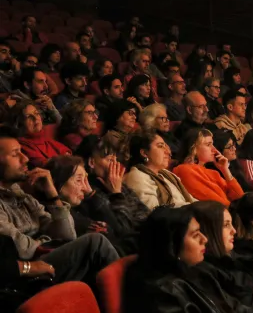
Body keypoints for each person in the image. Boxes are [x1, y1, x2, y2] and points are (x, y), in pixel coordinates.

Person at [0, 127, 119, 285]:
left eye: (22, 152)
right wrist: (48, 242)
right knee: (95, 243)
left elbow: (67, 235)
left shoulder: (22, 195)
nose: (25, 159)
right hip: (27, 269)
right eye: (15, 154)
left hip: (47, 252)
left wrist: (53, 194)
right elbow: (19, 248)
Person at [123, 206, 253, 313]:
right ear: (172, 245)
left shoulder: (197, 270)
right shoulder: (163, 294)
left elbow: (239, 311)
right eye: (195, 235)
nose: (205, 239)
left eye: (201, 232)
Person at [75, 135, 150, 253]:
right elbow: (123, 231)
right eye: (110, 160)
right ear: (91, 162)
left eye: (116, 160)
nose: (116, 165)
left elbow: (144, 214)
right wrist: (116, 194)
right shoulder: (88, 193)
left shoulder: (118, 184)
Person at [124, 131, 196, 210]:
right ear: (144, 153)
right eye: (160, 146)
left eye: (166, 146)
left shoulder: (166, 174)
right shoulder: (136, 176)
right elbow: (153, 211)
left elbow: (191, 199)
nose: (168, 152)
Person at [173, 128, 244, 206]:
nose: (214, 149)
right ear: (193, 148)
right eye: (208, 144)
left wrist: (225, 170)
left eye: (212, 144)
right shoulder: (184, 170)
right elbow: (217, 204)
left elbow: (239, 197)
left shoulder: (213, 172)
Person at [11, 101, 71, 168]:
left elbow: (64, 150)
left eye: (36, 113)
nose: (35, 118)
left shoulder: (43, 137)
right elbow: (44, 164)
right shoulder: (21, 145)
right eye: (29, 117)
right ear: (19, 124)